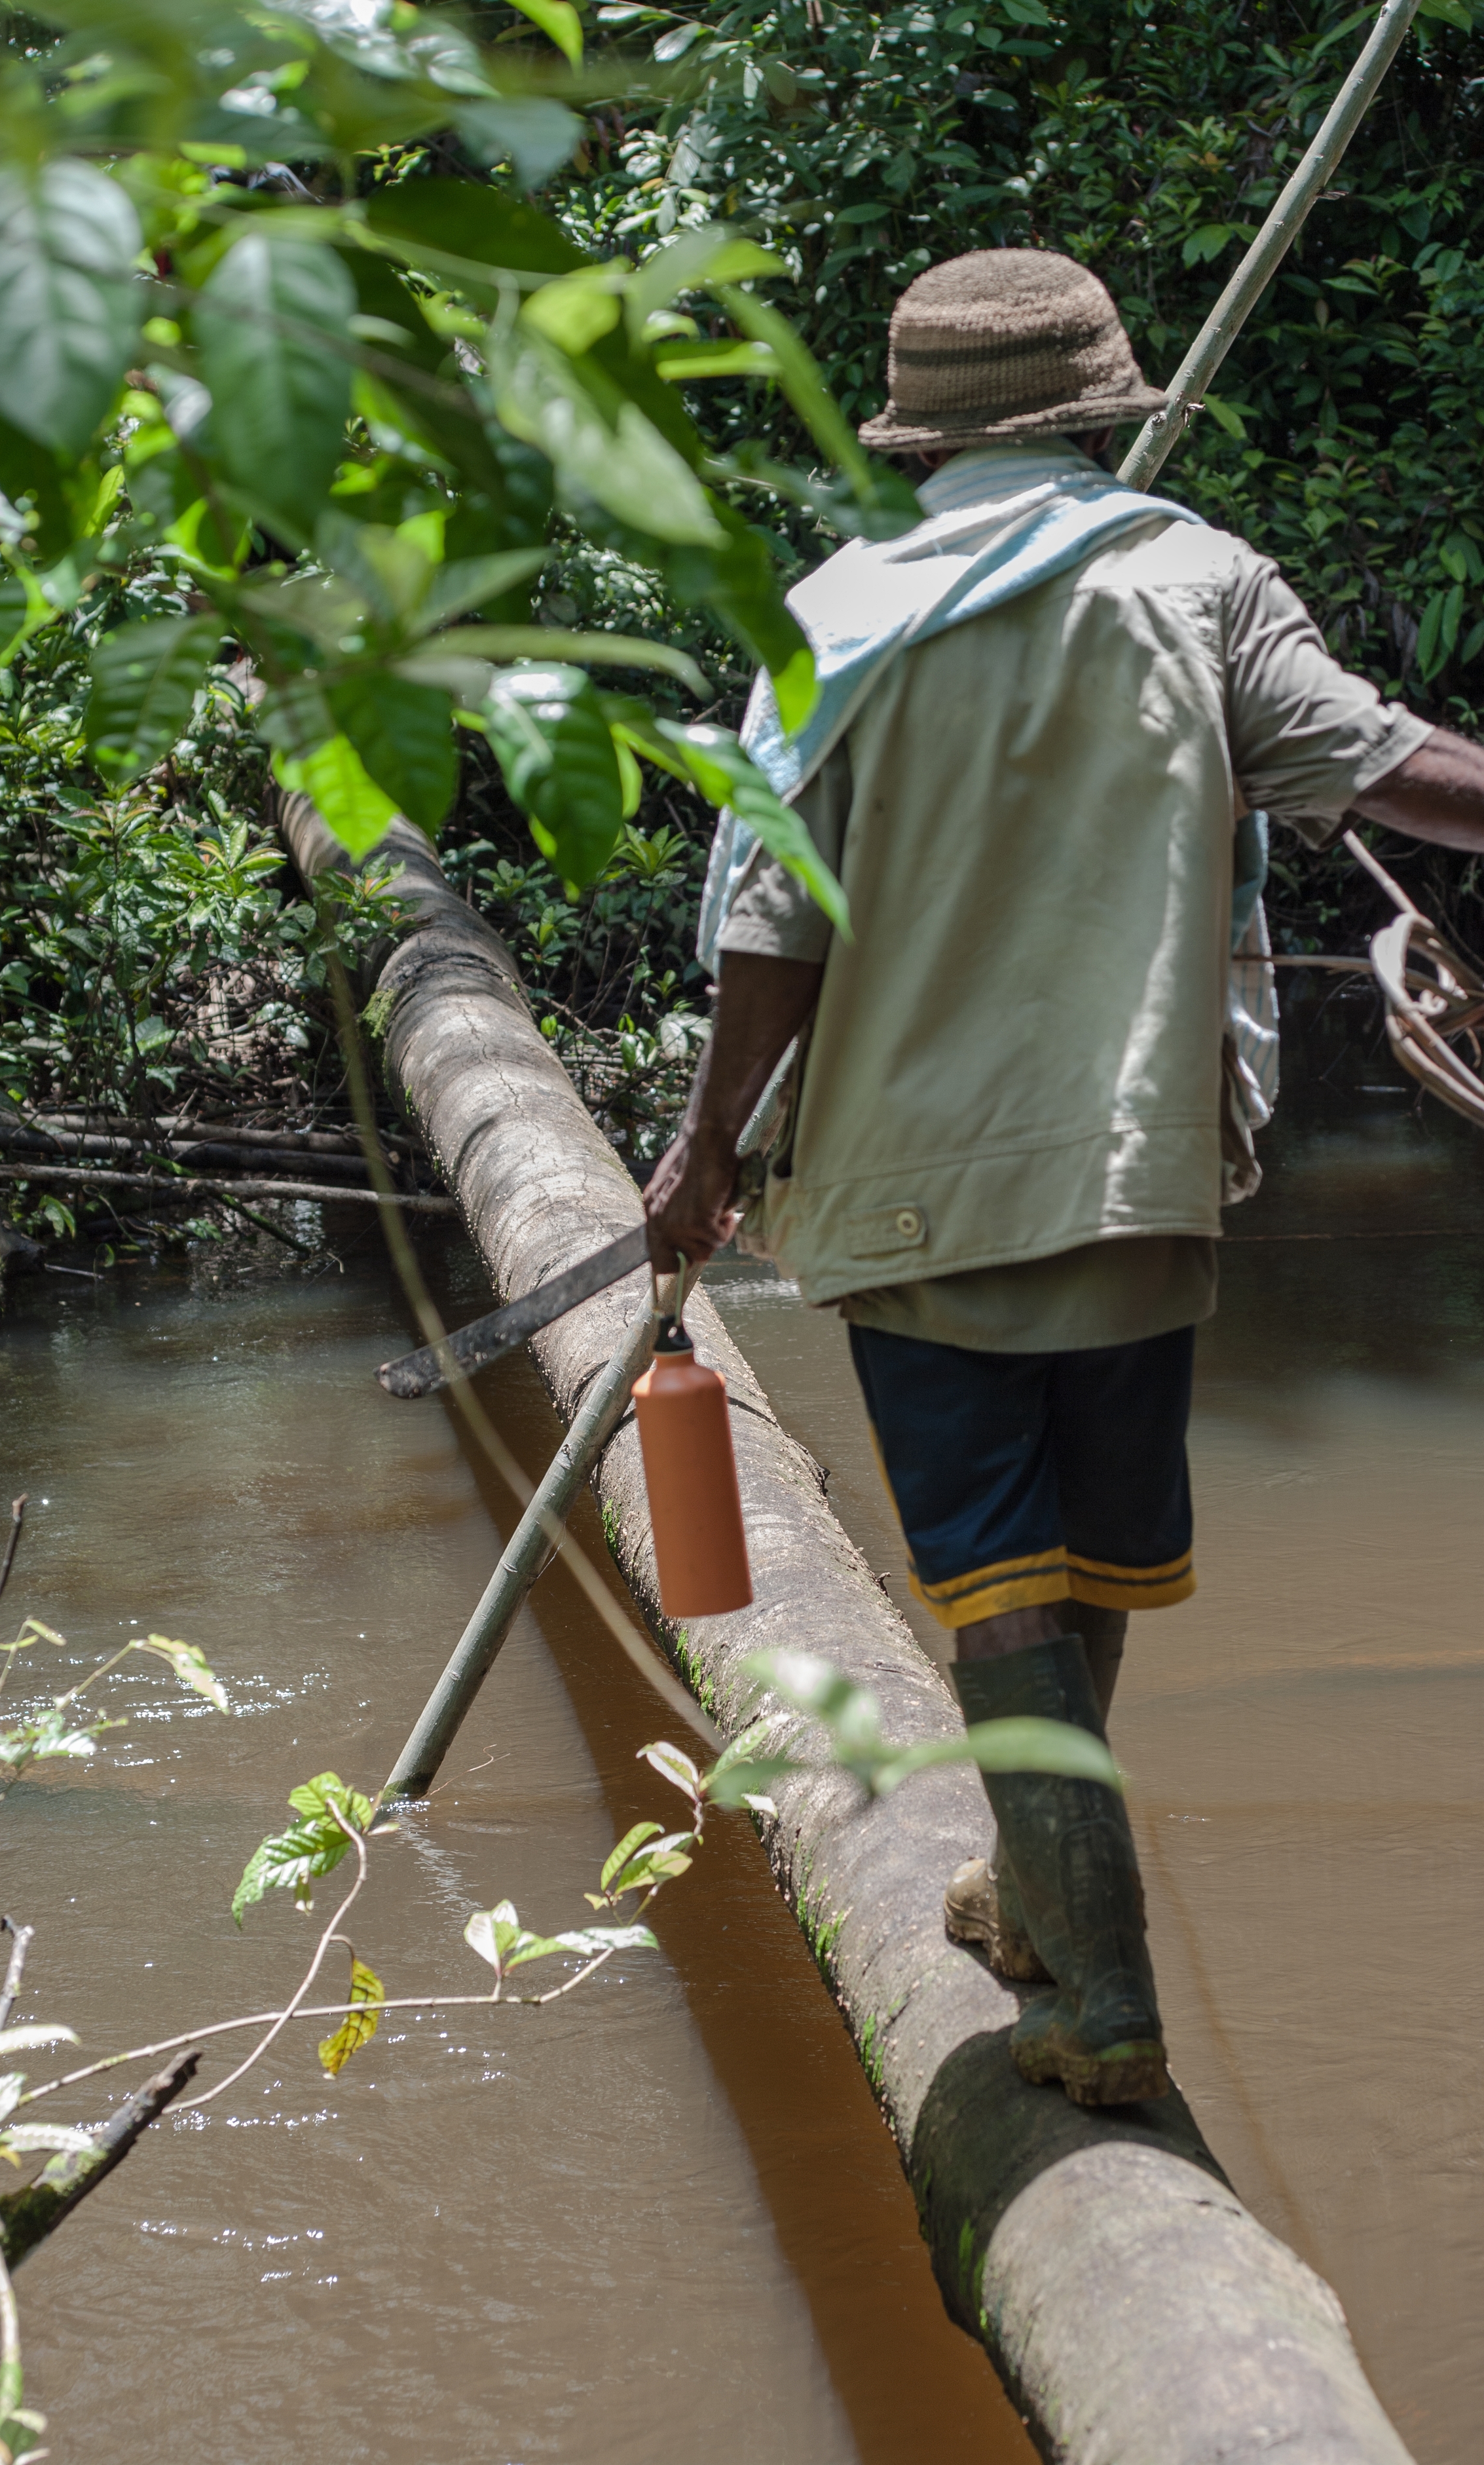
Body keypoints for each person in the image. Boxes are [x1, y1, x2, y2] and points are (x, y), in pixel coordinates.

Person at [642, 247, 1484, 2109]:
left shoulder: (834, 618)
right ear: (1108, 409)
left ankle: (1095, 1993)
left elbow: (771, 924)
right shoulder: (1198, 582)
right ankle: (1034, 1899)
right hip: (1138, 1168)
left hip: (913, 1182)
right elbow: (1383, 767)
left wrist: (703, 1152)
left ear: (913, 434)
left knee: (1006, 1583)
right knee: (1077, 1565)